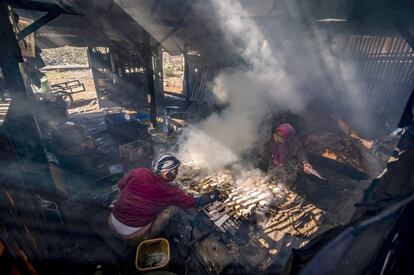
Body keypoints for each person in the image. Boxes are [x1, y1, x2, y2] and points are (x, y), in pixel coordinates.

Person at [108, 153, 220, 242]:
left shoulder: (140, 171)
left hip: (112, 223)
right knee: (172, 208)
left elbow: (120, 185)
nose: (177, 173)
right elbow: (192, 203)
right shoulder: (170, 191)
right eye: (175, 171)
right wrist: (209, 196)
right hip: (132, 236)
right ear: (167, 174)